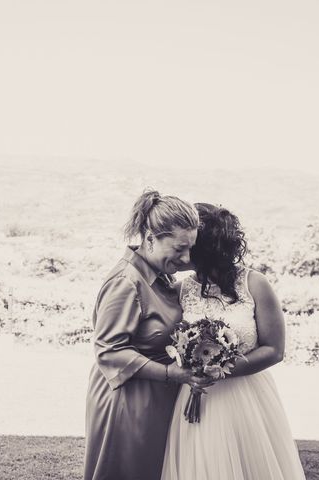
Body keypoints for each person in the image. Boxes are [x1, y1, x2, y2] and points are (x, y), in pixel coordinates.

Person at [160, 203, 306, 480]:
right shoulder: (179, 289)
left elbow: (275, 350)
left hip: (248, 399)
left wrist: (221, 370)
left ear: (204, 248)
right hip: (195, 395)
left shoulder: (255, 284)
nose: (182, 251)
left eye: (188, 244)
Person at [84, 190, 209, 480]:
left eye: (190, 248)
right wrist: (170, 373)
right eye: (179, 249)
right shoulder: (126, 281)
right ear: (151, 238)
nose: (186, 257)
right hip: (126, 400)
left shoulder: (160, 277)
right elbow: (109, 351)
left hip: (154, 398)